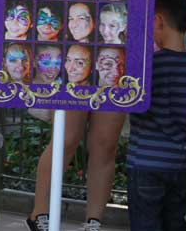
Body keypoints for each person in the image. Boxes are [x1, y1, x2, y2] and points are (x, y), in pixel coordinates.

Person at [126, 0, 186, 231]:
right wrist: (185, 115)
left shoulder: (146, 67)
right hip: (178, 164)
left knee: (145, 224)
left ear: (158, 21)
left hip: (144, 162)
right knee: (175, 223)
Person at [28, 40, 126, 231]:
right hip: (77, 47)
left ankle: (94, 222)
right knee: (65, 140)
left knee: (104, 145)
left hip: (116, 50)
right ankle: (39, 213)